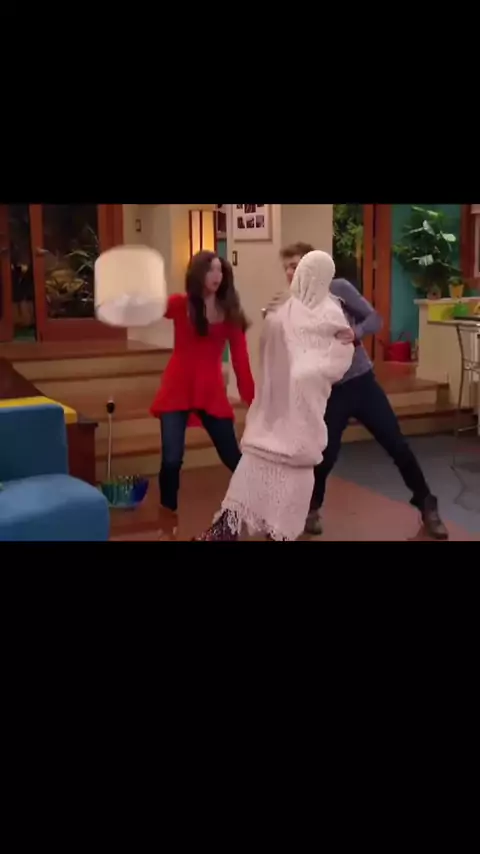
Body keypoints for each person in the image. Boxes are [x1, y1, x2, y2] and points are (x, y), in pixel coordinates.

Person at [274, 242, 448, 540]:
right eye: (287, 267)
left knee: (397, 445)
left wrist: (356, 332)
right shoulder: (292, 308)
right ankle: (311, 508)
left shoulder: (339, 289)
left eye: (296, 265)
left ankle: (427, 505)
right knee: (325, 455)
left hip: (361, 382)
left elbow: (375, 319)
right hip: (330, 392)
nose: (291, 271)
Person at [195, 250, 354, 541]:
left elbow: (341, 352)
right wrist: (271, 321)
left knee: (289, 492)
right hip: (274, 411)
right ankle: (226, 529)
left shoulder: (330, 311)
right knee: (249, 476)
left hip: (303, 414)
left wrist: (311, 369)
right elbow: (271, 345)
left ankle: (277, 533)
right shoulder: (286, 306)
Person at [150, 250, 255, 539]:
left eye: (220, 270)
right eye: (210, 270)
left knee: (231, 455)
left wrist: (253, 401)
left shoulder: (230, 314)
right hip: (176, 388)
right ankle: (167, 518)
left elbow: (241, 361)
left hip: (210, 391)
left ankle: (262, 503)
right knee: (171, 459)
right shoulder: (179, 304)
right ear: (198, 274)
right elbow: (149, 309)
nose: (216, 276)